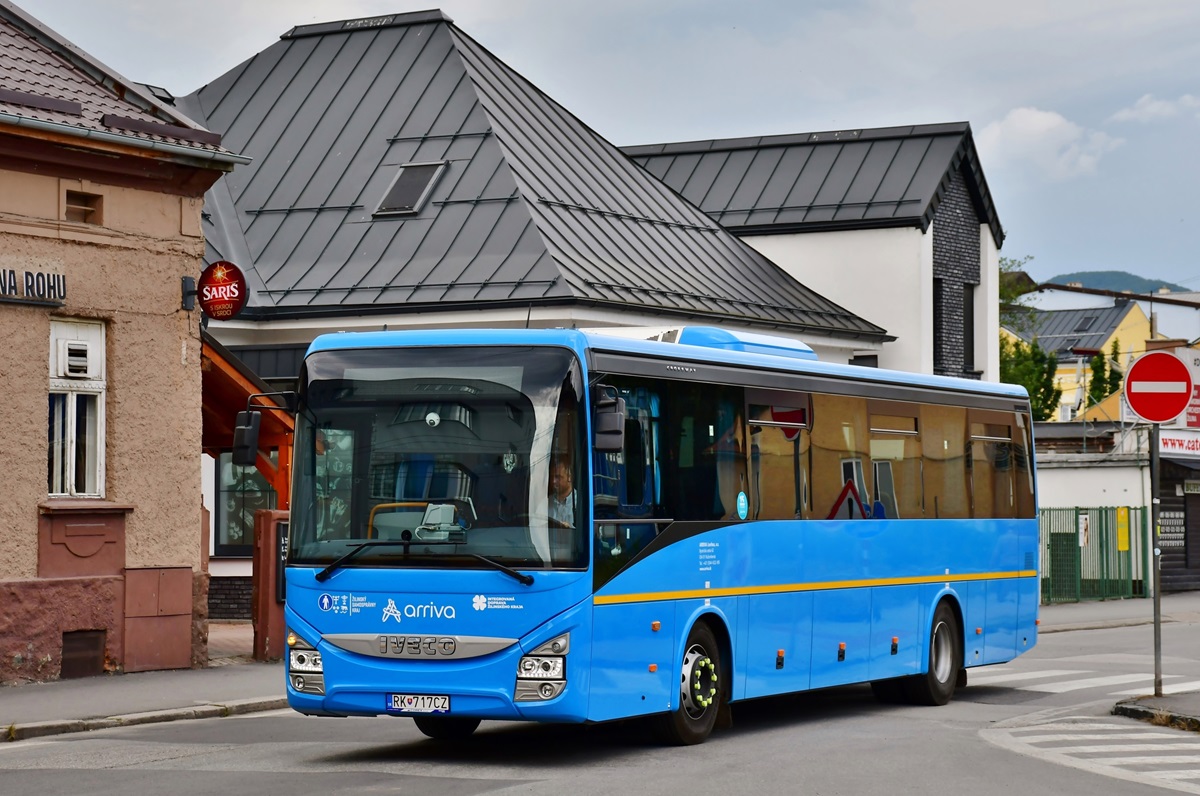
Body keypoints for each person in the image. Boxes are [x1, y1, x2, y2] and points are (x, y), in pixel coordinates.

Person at [548, 455, 576, 527]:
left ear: (569, 477)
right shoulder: (545, 503)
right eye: (552, 477)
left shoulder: (581, 503)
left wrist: (570, 529)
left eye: (558, 477)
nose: (553, 481)